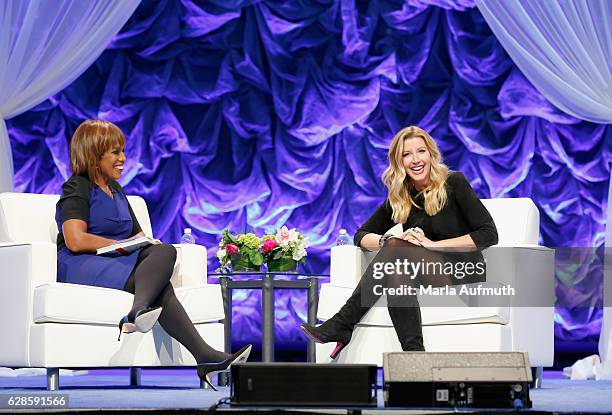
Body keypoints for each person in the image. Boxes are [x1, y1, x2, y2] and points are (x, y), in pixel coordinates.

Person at [55, 119, 250, 389]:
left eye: (122, 151)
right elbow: (75, 240)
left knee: (162, 253)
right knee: (161, 265)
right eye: (115, 152)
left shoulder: (117, 191)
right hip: (82, 264)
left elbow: (138, 238)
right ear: (93, 153)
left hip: (116, 260)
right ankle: (197, 351)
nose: (123, 158)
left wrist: (141, 242)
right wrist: (120, 243)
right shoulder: (77, 187)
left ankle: (146, 317)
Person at [301, 125, 498, 357]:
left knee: (395, 254)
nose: (415, 160)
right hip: (424, 269)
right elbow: (361, 235)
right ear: (399, 161)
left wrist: (431, 245)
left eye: (421, 151)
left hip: (464, 266)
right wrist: (388, 241)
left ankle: (342, 324)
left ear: (431, 154)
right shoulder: (401, 196)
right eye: (406, 154)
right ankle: (414, 358)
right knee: (396, 272)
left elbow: (489, 233)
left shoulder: (454, 183)